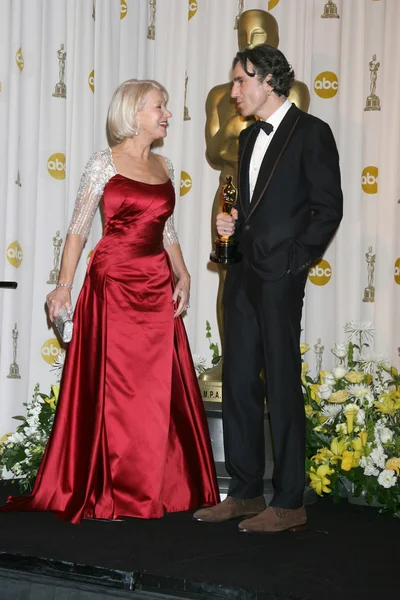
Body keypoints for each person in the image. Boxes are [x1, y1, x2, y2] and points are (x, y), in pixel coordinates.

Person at [2, 79, 219, 523]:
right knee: (115, 390)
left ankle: (160, 488)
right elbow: (79, 227)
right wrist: (64, 285)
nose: (167, 115)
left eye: (166, 107)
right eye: (159, 106)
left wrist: (184, 273)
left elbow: (167, 228)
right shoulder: (104, 163)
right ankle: (111, 490)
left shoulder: (165, 164)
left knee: (157, 388)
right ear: (134, 113)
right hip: (113, 285)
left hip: (156, 285)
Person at [194, 45, 343, 533]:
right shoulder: (247, 137)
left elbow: (328, 208)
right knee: (238, 379)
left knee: (280, 382)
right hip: (241, 274)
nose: (233, 91)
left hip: (280, 276)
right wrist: (231, 224)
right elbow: (255, 208)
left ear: (268, 80)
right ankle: (243, 491)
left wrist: (295, 263)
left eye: (240, 81)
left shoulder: (312, 133)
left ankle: (289, 501)